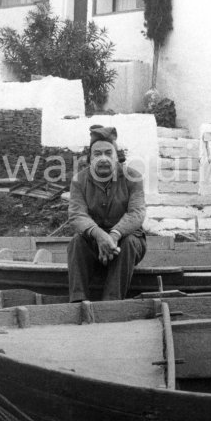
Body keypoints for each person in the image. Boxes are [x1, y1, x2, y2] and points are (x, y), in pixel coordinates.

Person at [67, 124, 146, 302]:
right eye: (97, 154)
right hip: (94, 242)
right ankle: (78, 302)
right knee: (77, 242)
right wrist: (99, 235)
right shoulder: (79, 181)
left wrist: (115, 234)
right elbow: (76, 215)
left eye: (108, 153)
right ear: (90, 158)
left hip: (125, 243)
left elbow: (137, 213)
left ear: (117, 156)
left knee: (130, 242)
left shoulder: (133, 178)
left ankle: (111, 302)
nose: (103, 158)